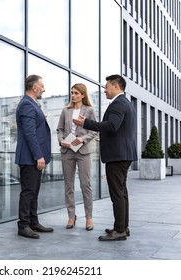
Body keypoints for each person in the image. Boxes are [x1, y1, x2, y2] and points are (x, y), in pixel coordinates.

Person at [73, 74, 137, 241]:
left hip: (117, 156)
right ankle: (122, 227)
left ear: (115, 86)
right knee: (122, 193)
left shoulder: (118, 104)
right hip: (123, 153)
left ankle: (120, 230)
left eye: (106, 86)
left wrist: (85, 123)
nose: (104, 89)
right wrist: (106, 137)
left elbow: (112, 125)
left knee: (117, 193)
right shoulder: (126, 103)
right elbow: (119, 130)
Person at [15, 74, 54, 239]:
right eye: (42, 86)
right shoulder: (27, 105)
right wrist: (39, 156)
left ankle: (33, 221)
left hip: (33, 158)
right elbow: (30, 134)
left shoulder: (31, 104)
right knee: (28, 192)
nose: (44, 89)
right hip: (29, 158)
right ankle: (23, 225)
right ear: (34, 87)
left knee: (34, 191)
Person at [57, 83, 98, 231]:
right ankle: (71, 216)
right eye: (72, 92)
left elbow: (94, 131)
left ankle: (89, 218)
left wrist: (82, 139)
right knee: (69, 186)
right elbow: (59, 129)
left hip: (83, 152)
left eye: (76, 93)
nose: (73, 95)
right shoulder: (65, 111)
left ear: (82, 95)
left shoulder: (90, 110)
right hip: (67, 151)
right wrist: (62, 141)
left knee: (85, 185)